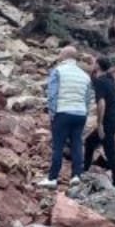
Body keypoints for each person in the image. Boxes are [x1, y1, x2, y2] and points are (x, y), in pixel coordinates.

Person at [38, 46, 93, 188]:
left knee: (58, 146)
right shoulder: (85, 75)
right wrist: (84, 113)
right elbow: (88, 98)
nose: (58, 55)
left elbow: (52, 95)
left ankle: (52, 178)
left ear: (64, 55)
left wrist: (52, 113)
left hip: (62, 112)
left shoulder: (58, 71)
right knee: (77, 144)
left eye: (60, 52)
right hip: (80, 114)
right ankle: (76, 176)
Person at [83, 55, 115, 188]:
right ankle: (84, 170)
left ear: (98, 66)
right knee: (90, 142)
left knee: (110, 150)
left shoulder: (101, 82)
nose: (93, 64)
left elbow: (101, 103)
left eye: (95, 62)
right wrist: (92, 66)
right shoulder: (108, 78)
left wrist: (99, 125)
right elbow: (92, 79)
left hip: (108, 121)